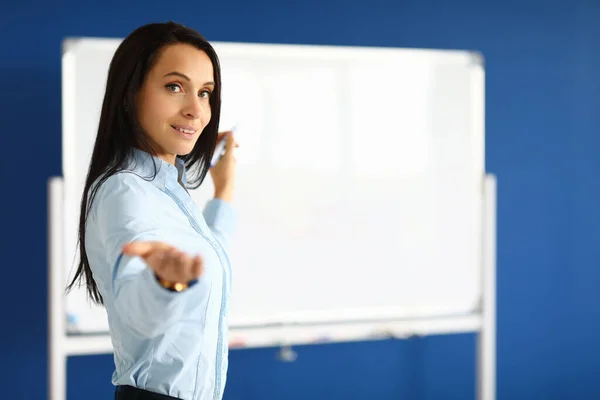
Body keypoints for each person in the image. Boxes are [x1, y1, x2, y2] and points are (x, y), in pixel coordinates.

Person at [66, 21, 238, 400]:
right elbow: (137, 311)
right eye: (174, 86)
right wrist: (166, 283)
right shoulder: (125, 190)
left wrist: (223, 191)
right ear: (131, 93)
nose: (196, 110)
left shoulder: (165, 189)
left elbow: (204, 261)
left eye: (206, 93)